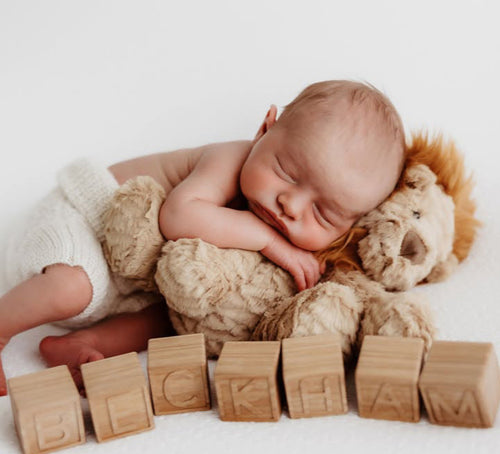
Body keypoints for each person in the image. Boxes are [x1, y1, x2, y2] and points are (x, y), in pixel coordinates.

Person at [0, 80, 406, 394]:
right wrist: (271, 242)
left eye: (323, 213)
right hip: (83, 219)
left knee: (174, 320)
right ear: (265, 129)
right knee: (71, 287)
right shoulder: (229, 159)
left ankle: (84, 343)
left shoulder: (289, 218)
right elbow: (178, 217)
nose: (290, 205)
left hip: (125, 279)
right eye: (286, 172)